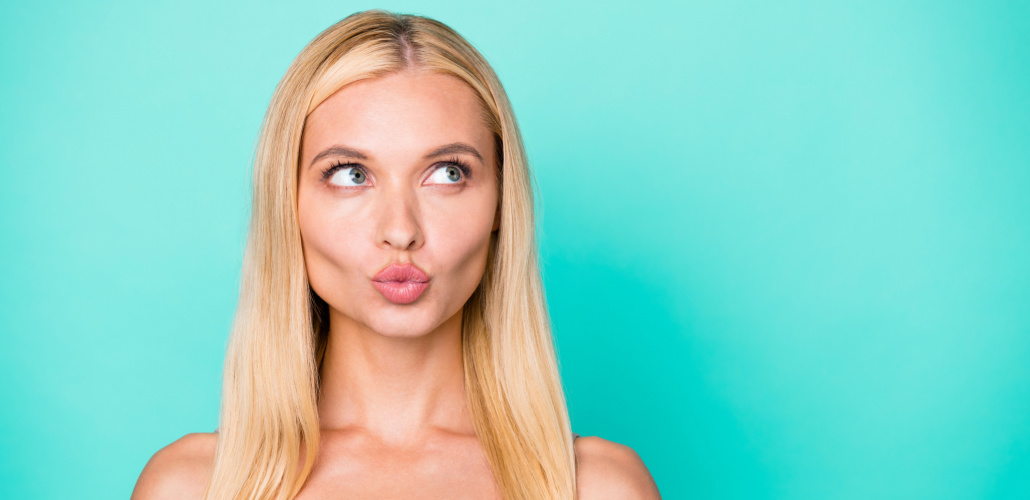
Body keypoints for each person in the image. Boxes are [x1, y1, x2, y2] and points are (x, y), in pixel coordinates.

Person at [131, 9, 661, 500]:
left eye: (448, 174)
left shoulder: (597, 487)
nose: (400, 231)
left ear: (502, 202)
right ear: (287, 202)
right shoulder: (189, 487)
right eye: (350, 175)